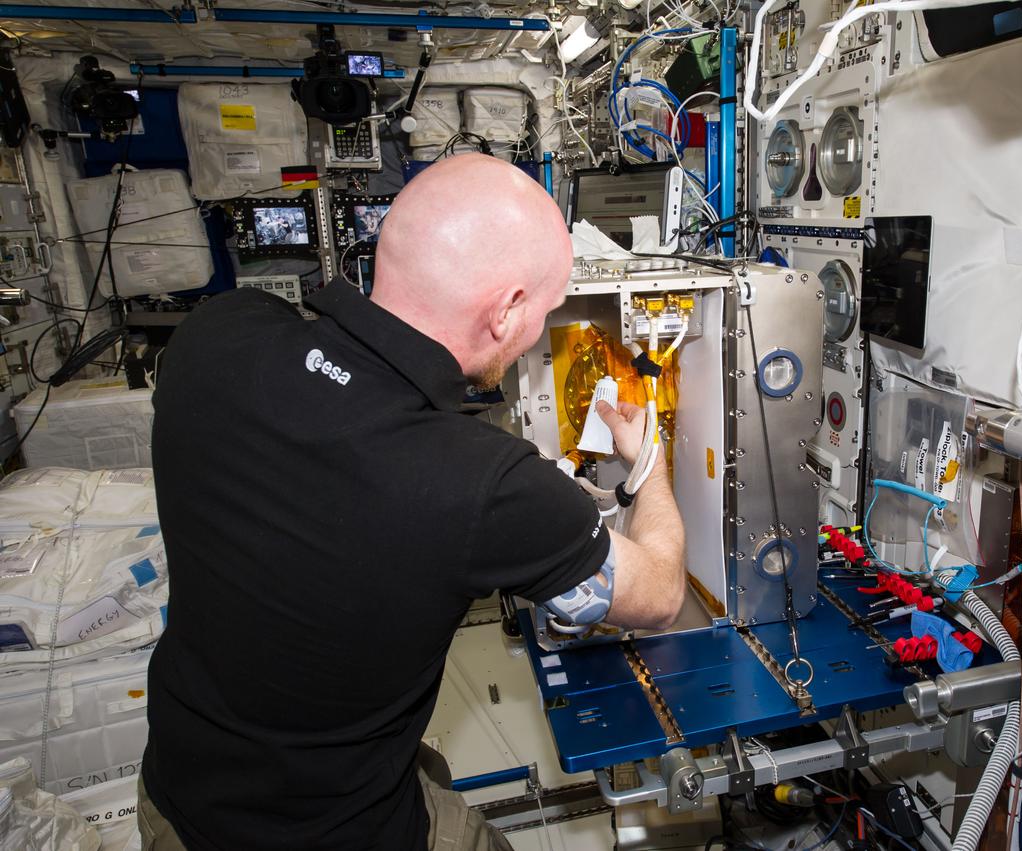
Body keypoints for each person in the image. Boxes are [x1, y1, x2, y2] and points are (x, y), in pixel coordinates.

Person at [138, 153, 686, 850]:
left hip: (176, 801)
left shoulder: (214, 335)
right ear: (508, 308)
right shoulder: (484, 485)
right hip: (334, 833)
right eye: (543, 311)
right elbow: (661, 591)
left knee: (424, 766)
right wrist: (650, 466)